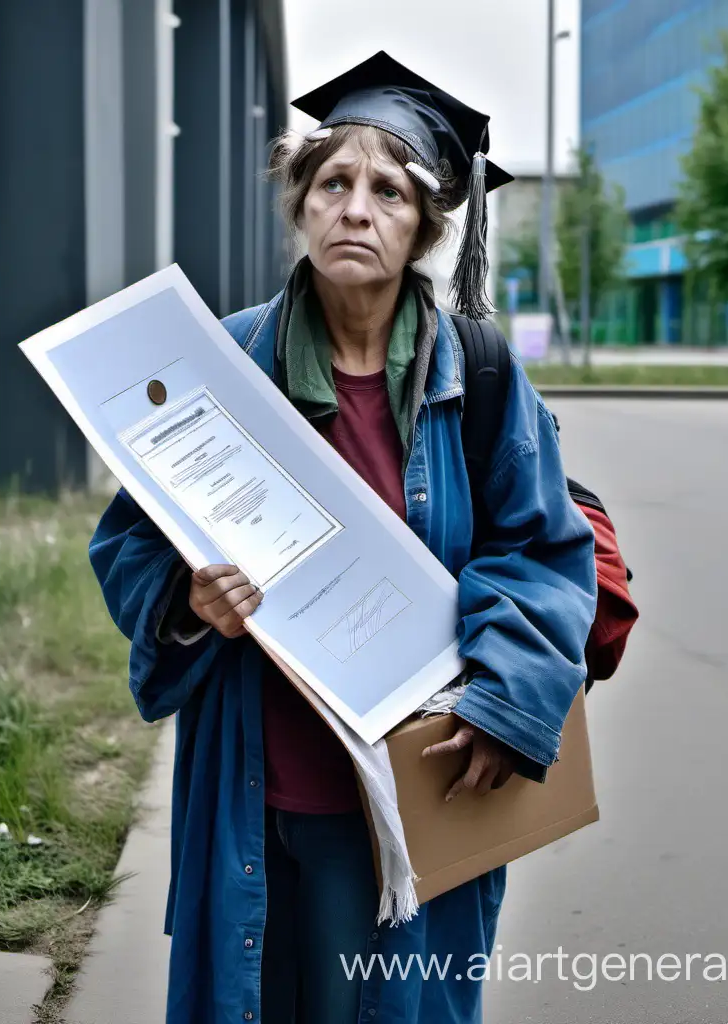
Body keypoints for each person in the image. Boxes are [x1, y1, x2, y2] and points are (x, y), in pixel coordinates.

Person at [89, 50, 597, 1024]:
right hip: (257, 789)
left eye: (388, 191)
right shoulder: (227, 363)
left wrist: (506, 695)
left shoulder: (482, 379)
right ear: (301, 203)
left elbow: (544, 552)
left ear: (425, 227)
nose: (355, 208)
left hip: (415, 794)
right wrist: (189, 605)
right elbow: (128, 541)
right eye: (333, 183)